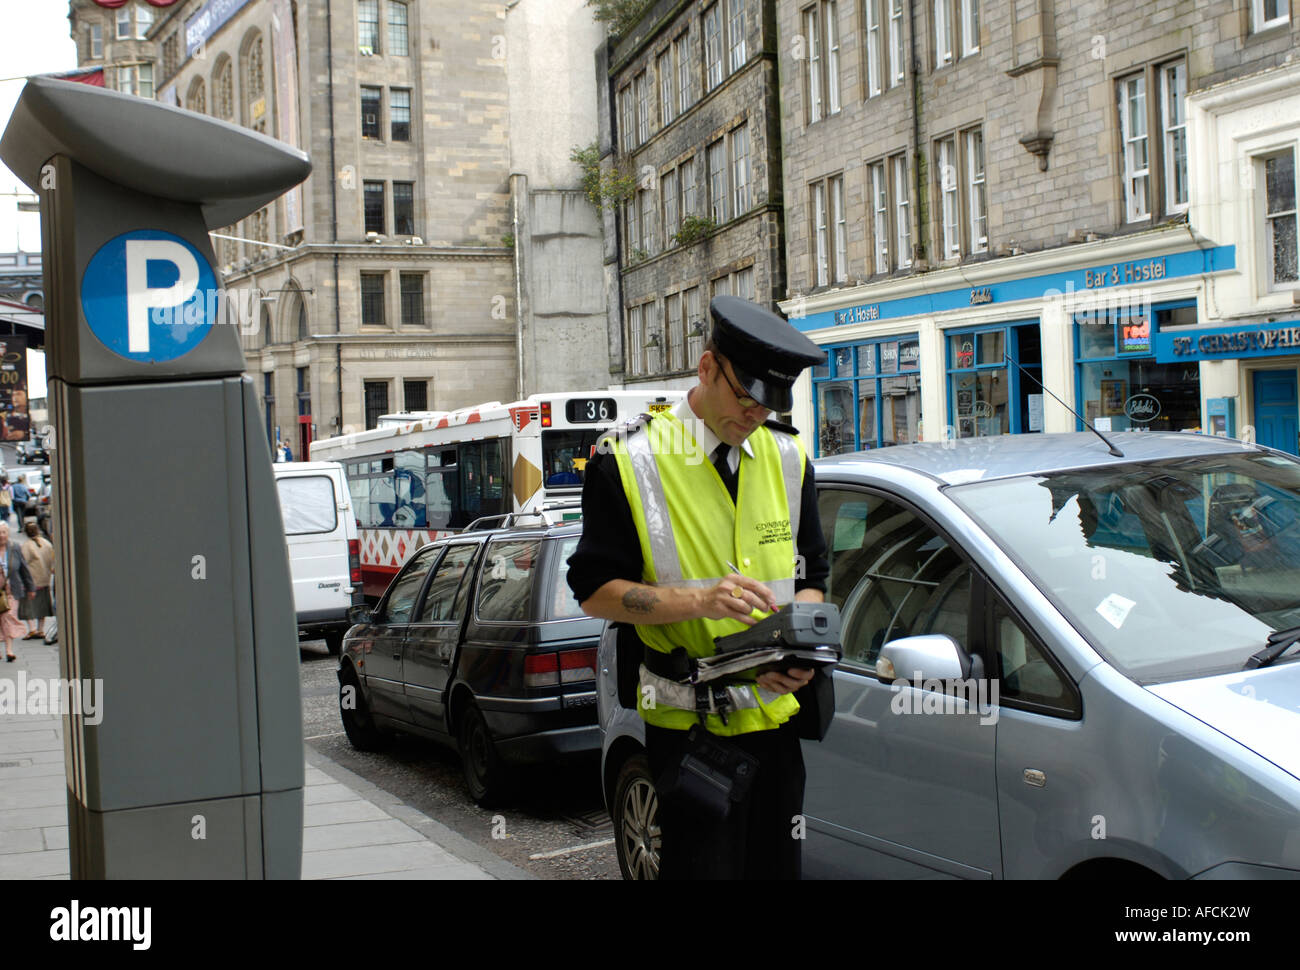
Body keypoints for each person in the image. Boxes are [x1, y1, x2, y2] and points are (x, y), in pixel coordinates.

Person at [567, 295, 830, 880]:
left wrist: (797, 652)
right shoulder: (626, 460)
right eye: (745, 397)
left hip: (775, 728)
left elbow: (811, 575)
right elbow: (592, 591)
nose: (756, 415)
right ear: (707, 368)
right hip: (687, 734)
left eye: (770, 404)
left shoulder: (788, 457)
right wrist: (699, 600)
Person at [0, 521, 35, 661]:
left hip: (12, 590)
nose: (1, 536)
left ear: (8, 533)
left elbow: (24, 569)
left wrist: (30, 587)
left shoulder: (14, 547)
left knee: (8, 616)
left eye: (4, 532)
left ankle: (9, 650)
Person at [19, 520, 54, 640]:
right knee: (42, 605)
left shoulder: (27, 546)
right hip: (45, 580)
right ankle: (41, 629)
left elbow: (23, 564)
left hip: (32, 581)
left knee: (27, 605)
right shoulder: (47, 544)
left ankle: (32, 629)